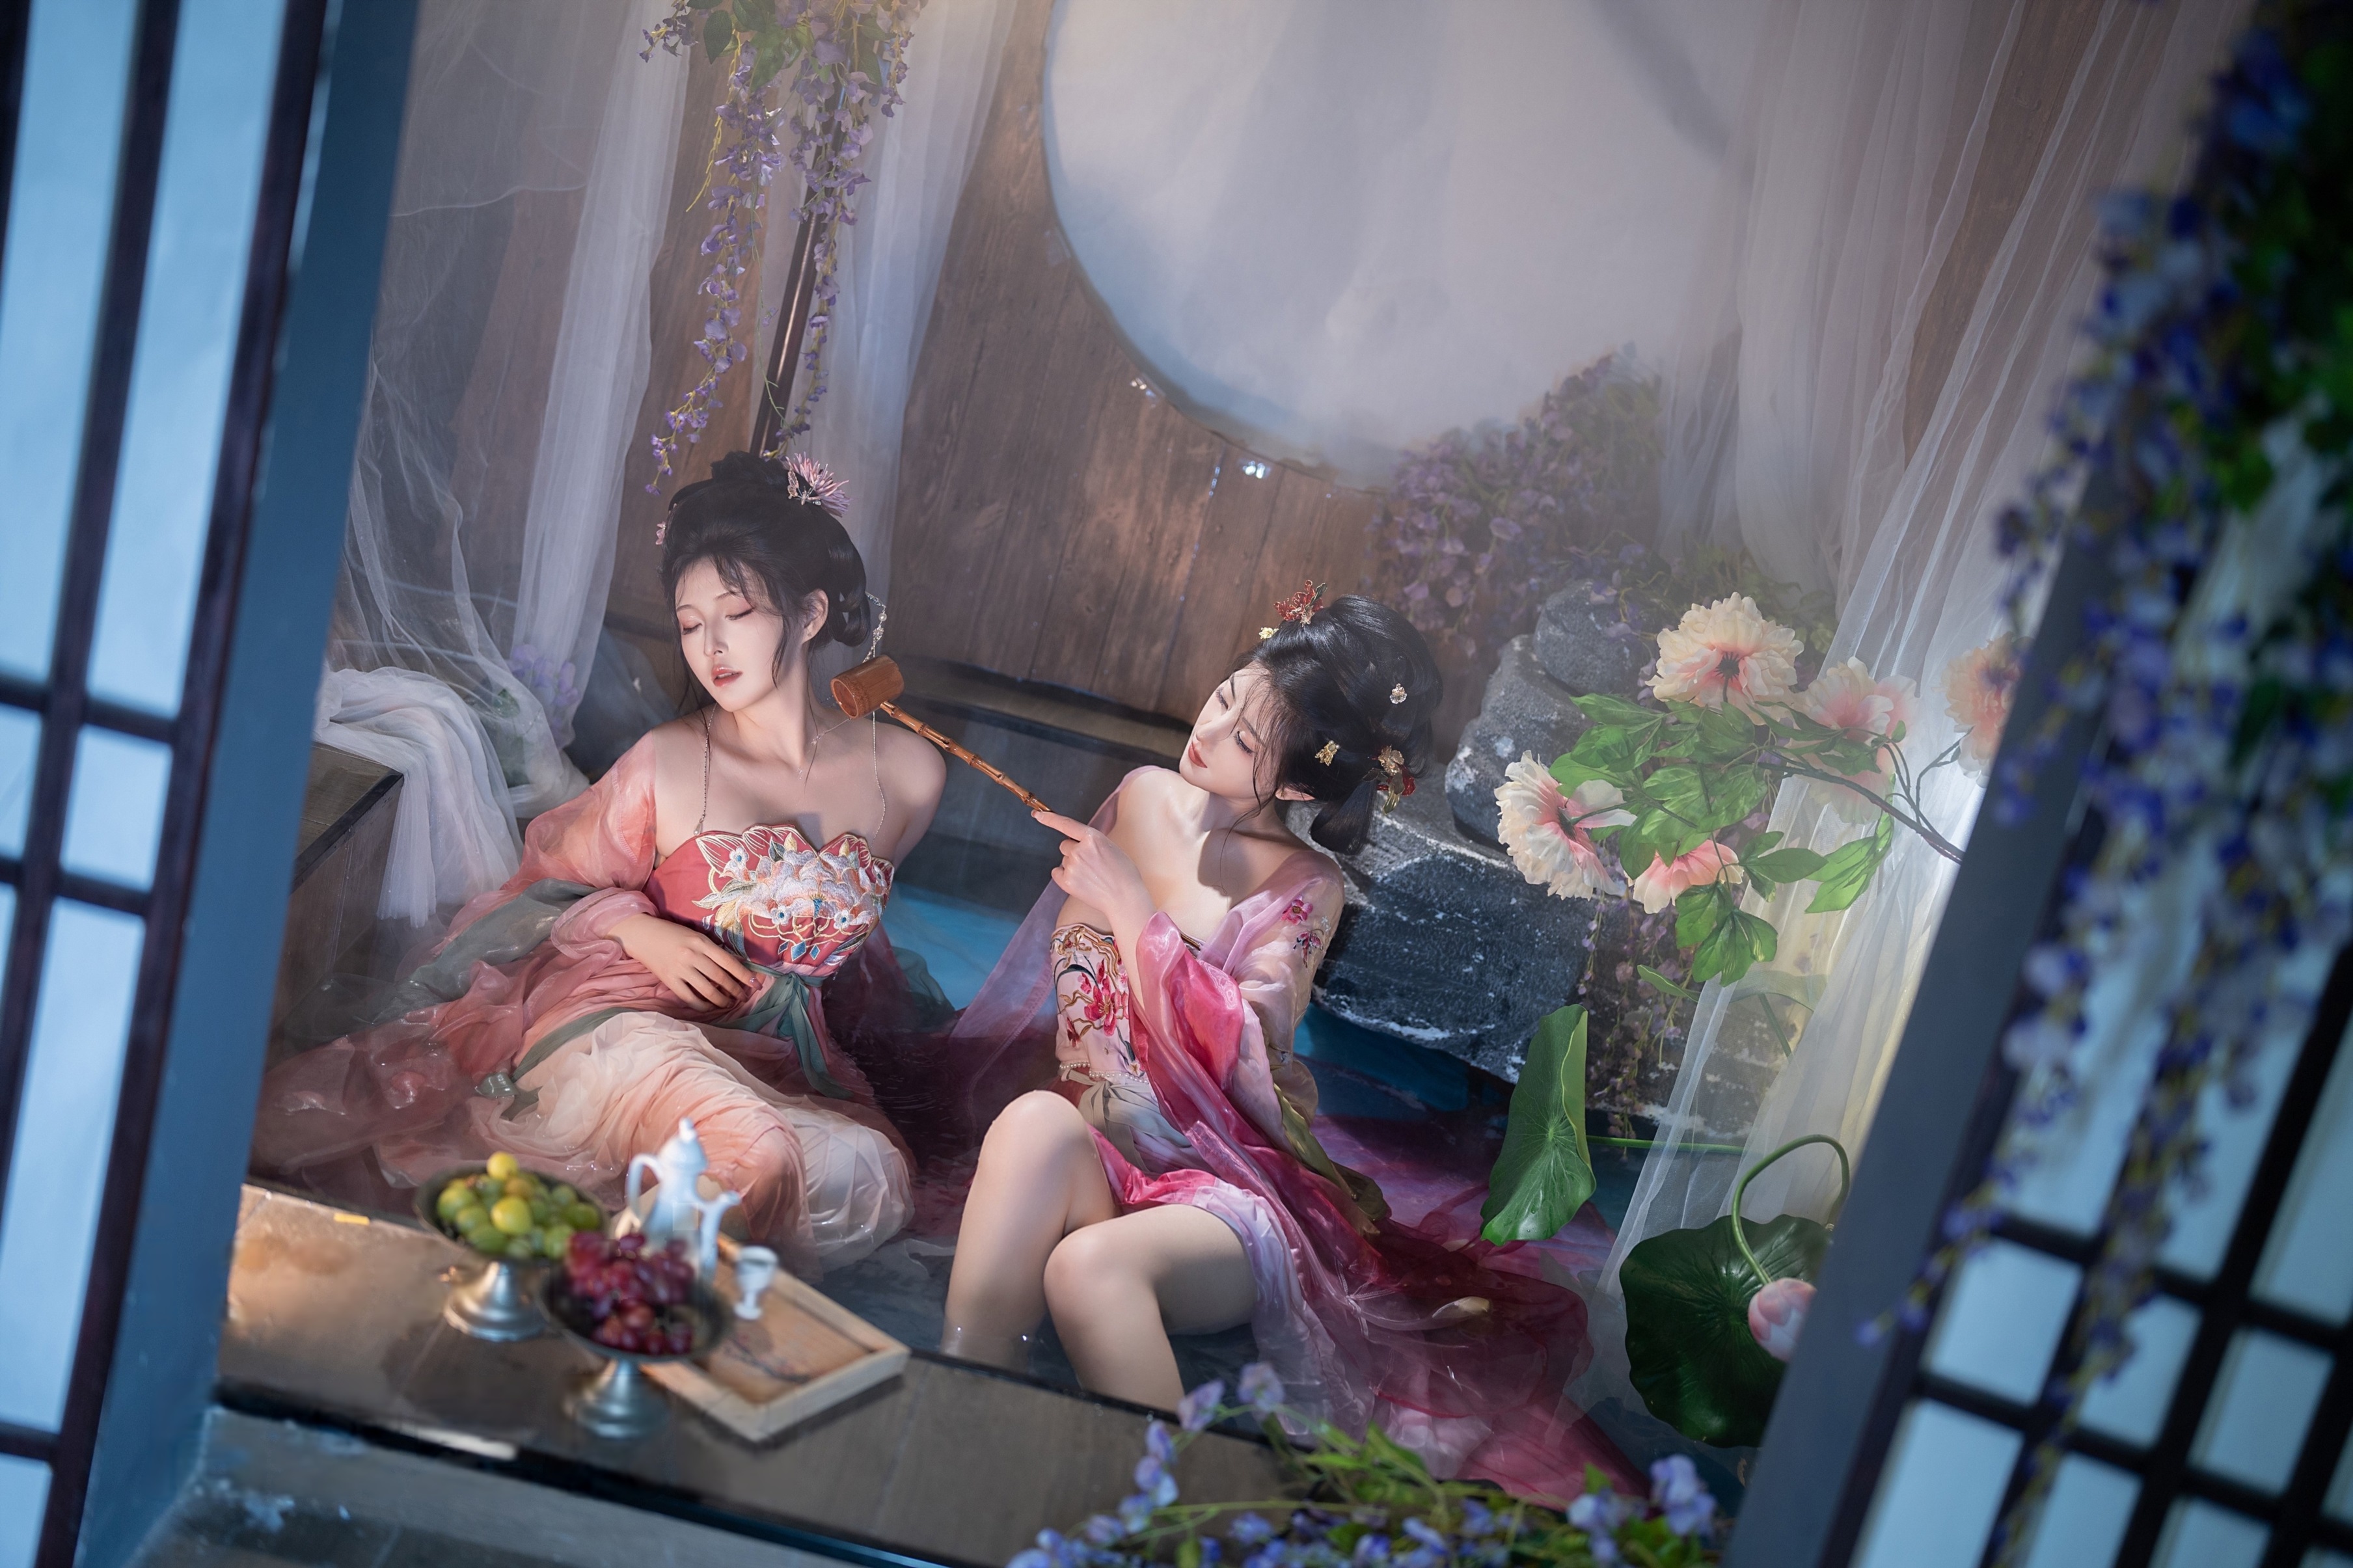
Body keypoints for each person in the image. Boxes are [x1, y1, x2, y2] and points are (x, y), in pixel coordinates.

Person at [935, 589, 1633, 1499]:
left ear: (1298, 786)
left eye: (1244, 739)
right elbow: (1072, 1004)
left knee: (1088, 1268)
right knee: (1029, 1119)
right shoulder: (1141, 796)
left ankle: (1182, 1521)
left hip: (1223, 1175)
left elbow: (1243, 1053)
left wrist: (1132, 905)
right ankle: (954, 1417)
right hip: (1103, 1140)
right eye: (1225, 697)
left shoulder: (1307, 886)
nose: (1208, 730)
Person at [254, 451, 944, 1275]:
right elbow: (542, 884)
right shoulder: (669, 760)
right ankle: (618, 1300)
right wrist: (637, 928)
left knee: (870, 1177)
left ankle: (629, 1283)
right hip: (627, 1023)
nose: (711, 647)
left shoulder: (909, 773)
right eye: (690, 623)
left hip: (780, 1050)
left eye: (736, 613)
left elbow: (848, 943)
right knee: (752, 1152)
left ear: (808, 613)